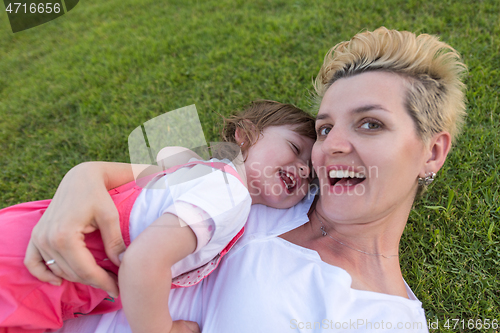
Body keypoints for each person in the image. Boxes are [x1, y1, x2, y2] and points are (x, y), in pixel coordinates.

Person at [26, 27, 467, 333]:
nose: (330, 146)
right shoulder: (268, 193)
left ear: (432, 151)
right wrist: (79, 181)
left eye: (370, 124)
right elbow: (145, 177)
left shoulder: (381, 316)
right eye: (326, 128)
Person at [0, 100, 316, 332]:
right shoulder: (231, 196)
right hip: (34, 277)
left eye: (311, 175)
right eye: (294, 147)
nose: (303, 168)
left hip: (26, 231)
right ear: (244, 135)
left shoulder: (199, 172)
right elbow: (143, 260)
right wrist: (163, 329)